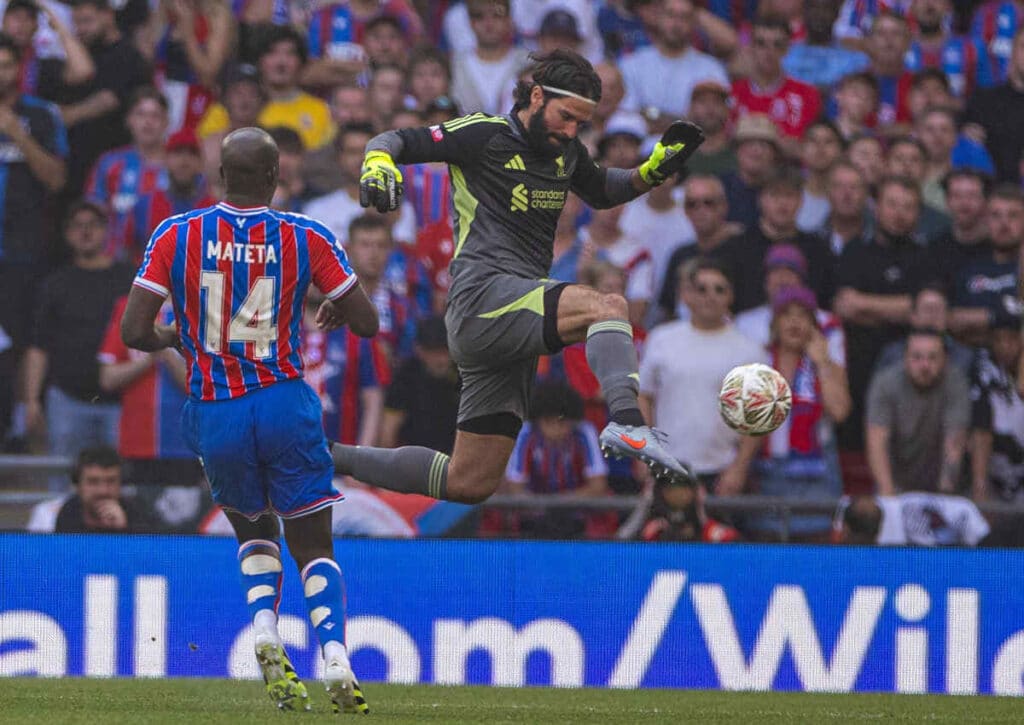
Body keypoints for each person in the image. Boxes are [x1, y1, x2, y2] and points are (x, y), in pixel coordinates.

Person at [333, 48, 706, 505]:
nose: (571, 131)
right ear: (535, 95)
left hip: (515, 317)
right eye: (566, 116)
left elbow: (604, 190)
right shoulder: (484, 134)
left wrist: (652, 171)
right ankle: (629, 421)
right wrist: (377, 163)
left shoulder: (566, 151)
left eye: (581, 124)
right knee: (607, 306)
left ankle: (325, 456)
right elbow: (396, 139)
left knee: (469, 481)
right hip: (482, 298)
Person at [120, 127, 378, 713]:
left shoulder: (177, 233)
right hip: (284, 402)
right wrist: (335, 303)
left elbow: (134, 333)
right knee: (313, 543)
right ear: (274, 177)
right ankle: (335, 653)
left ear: (219, 176)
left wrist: (177, 337)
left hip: (215, 411)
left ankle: (264, 628)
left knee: (255, 531)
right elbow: (366, 323)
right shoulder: (305, 235)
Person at [21, 201, 134, 468]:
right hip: (67, 402)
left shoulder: (129, 279)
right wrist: (31, 401)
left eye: (92, 226)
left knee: (122, 483)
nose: (85, 232)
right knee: (63, 480)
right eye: (78, 227)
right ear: (68, 234)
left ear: (105, 231)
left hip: (121, 402)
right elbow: (38, 347)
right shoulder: (55, 283)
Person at [640, 257, 766, 489]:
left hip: (722, 470)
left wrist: (739, 468)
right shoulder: (661, 339)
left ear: (730, 296)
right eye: (702, 289)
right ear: (687, 295)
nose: (710, 296)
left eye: (719, 289)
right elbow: (643, 395)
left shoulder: (750, 350)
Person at [865, 328, 971, 495]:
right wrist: (888, 493)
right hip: (896, 482)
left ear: (945, 360)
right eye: (917, 357)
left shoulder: (956, 383)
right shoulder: (885, 383)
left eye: (933, 357)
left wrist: (944, 496)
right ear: (905, 358)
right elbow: (877, 442)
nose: (925, 365)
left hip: (942, 485)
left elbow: (954, 443)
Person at [504, 380, 609, 539]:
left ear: (572, 420)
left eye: (562, 422)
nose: (555, 430)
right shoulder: (525, 433)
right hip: (533, 520)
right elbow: (514, 486)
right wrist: (543, 507)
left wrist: (558, 504)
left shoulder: (585, 432)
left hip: (577, 519)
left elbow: (598, 486)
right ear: (537, 420)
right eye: (548, 422)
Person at [54, 445, 157, 533]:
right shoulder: (69, 513)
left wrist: (124, 529)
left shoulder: (138, 513)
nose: (103, 491)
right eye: (93, 482)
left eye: (111, 481)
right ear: (77, 486)